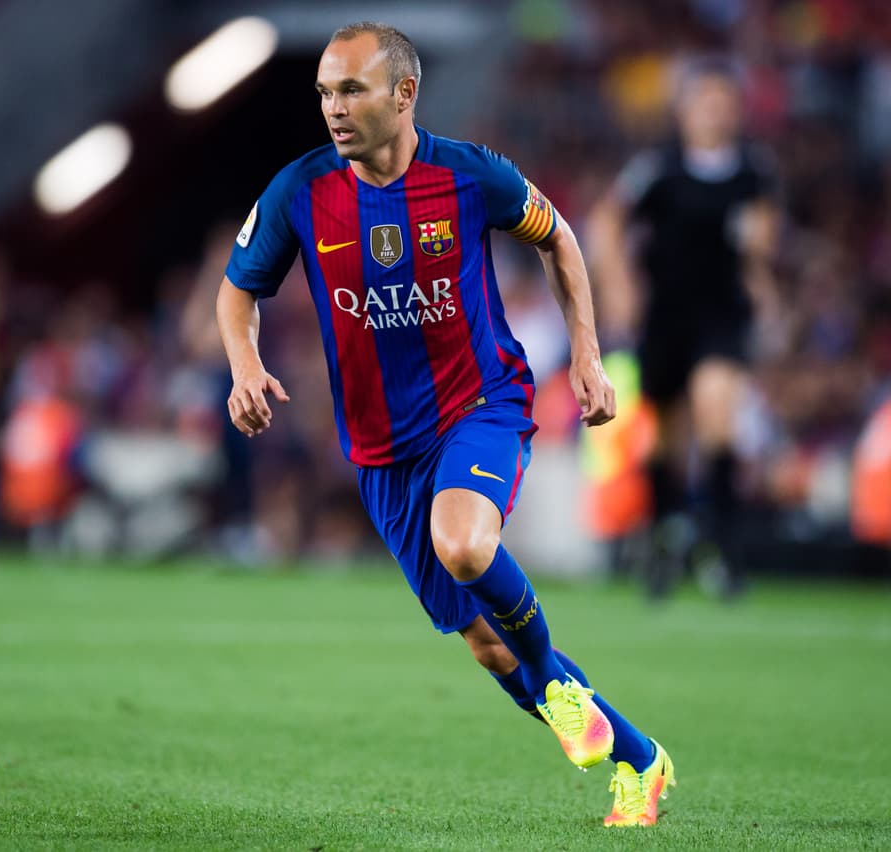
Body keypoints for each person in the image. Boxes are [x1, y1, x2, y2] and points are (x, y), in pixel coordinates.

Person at [215, 22, 673, 828]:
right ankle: (640, 759)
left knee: (463, 545)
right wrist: (245, 366)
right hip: (381, 452)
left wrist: (587, 354)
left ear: (404, 94)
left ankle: (556, 684)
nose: (333, 108)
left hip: (479, 406)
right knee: (488, 646)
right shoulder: (301, 190)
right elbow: (237, 291)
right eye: (324, 92)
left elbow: (559, 238)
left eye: (351, 89)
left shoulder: (468, 174)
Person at [588, 59, 780, 599]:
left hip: (722, 313)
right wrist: (619, 284)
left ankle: (723, 544)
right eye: (704, 100)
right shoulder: (659, 168)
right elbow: (607, 221)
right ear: (684, 110)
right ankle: (666, 536)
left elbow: (762, 238)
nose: (714, 111)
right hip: (666, 314)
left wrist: (762, 274)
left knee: (718, 415)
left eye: (723, 101)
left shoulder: (753, 170)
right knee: (666, 434)